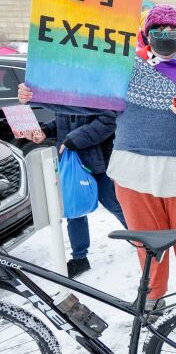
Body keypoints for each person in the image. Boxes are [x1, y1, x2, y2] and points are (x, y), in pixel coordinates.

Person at [22, 4, 176, 310]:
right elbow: (88, 102)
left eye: (170, 31)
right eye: (157, 30)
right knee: (147, 243)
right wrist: (40, 94)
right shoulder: (126, 69)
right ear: (145, 34)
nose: (164, 36)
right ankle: (153, 297)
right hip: (134, 174)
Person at [24, 111, 126, 278]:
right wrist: (45, 130)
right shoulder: (65, 91)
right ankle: (80, 258)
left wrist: (73, 139)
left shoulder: (94, 88)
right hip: (72, 162)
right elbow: (63, 120)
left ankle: (142, 239)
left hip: (97, 161)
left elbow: (108, 122)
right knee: (74, 208)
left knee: (115, 205)